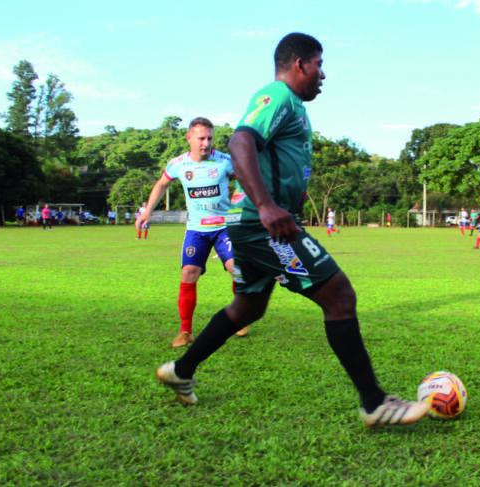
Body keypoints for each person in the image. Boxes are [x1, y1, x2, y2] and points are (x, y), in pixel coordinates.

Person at [155, 32, 428, 428]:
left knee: (248, 306)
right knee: (340, 297)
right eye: (319, 64)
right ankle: (374, 403)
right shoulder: (277, 96)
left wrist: (285, 199)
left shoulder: (295, 107)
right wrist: (267, 205)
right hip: (261, 224)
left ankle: (181, 370)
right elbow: (241, 142)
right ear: (300, 63)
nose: (323, 74)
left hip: (254, 225)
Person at [136, 117, 248, 347]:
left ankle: (240, 318)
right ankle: (185, 331)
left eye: (209, 138)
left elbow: (246, 180)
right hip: (197, 230)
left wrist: (242, 205)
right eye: (201, 138)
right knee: (189, 272)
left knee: (235, 268)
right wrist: (148, 211)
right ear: (189, 138)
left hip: (224, 227)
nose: (206, 143)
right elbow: (161, 184)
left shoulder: (226, 161)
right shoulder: (177, 164)